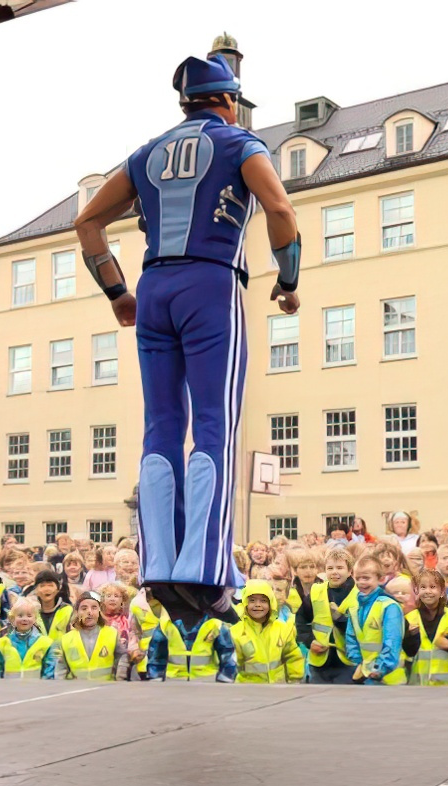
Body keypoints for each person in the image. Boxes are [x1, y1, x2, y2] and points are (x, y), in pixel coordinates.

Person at [74, 52, 300, 623]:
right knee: (215, 425)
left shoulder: (146, 152)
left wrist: (117, 292)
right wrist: (289, 280)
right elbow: (279, 208)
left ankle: (160, 569)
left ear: (184, 102)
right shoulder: (239, 144)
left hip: (152, 289)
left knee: (161, 428)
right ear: (229, 100)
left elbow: (88, 223)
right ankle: (206, 574)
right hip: (210, 282)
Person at [345, 555, 406, 685]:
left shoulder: (389, 606)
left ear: (380, 579)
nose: (361, 582)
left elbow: (392, 641)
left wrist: (380, 668)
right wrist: (358, 663)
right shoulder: (354, 607)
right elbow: (351, 638)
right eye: (358, 578)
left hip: (389, 678)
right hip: (366, 676)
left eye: (366, 578)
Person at [229, 580, 305, 683]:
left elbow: (293, 656)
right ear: (245, 603)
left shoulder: (282, 629)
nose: (258, 605)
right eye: (252, 600)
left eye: (263, 601)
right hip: (246, 689)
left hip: (279, 690)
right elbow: (230, 662)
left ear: (271, 603)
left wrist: (295, 680)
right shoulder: (236, 631)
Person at [403, 569, 448, 685]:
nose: (428, 591)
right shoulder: (410, 618)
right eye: (423, 587)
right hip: (418, 686)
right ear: (417, 591)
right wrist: (412, 637)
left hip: (446, 687)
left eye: (433, 587)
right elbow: (407, 652)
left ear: (442, 591)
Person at [147, 600, 237, 683]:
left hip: (207, 685)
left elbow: (227, 654)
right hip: (174, 684)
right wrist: (155, 678)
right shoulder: (166, 623)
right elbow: (156, 656)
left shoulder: (214, 623)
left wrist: (226, 678)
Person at [308, 549, 358, 684]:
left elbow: (361, 630)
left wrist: (340, 619)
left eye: (340, 568)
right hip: (319, 662)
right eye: (330, 568)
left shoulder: (359, 595)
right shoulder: (316, 590)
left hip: (348, 663)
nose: (334, 572)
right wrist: (309, 641)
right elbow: (301, 620)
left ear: (350, 571)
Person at [57, 592, 121, 681]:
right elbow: (60, 670)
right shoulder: (66, 639)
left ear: (100, 611)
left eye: (94, 608)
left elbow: (121, 663)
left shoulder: (112, 634)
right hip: (76, 691)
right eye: (84, 608)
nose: (89, 612)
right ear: (77, 612)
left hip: (106, 690)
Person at [0, 597, 58, 679]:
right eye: (20, 616)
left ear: (35, 618)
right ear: (13, 619)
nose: (24, 619)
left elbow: (49, 672)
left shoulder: (45, 643)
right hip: (8, 690)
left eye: (29, 616)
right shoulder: (2, 643)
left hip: (36, 690)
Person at [30, 570, 73, 643]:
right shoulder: (30, 611)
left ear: (58, 589)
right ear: (36, 590)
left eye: (50, 585)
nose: (47, 589)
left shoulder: (68, 611)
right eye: (42, 586)